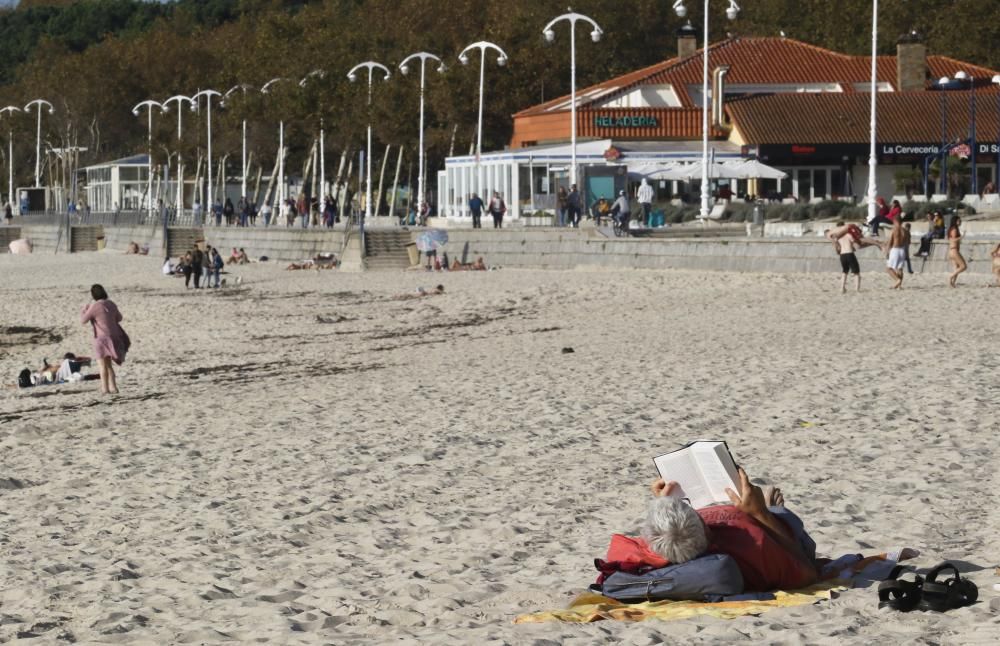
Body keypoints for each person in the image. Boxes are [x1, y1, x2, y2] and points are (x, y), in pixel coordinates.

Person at [643, 468, 819, 592]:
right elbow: (808, 573)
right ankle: (773, 511)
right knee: (791, 523)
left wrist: (663, 502)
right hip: (763, 526)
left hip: (726, 524)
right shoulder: (756, 545)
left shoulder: (661, 548)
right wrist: (761, 513)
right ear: (705, 528)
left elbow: (664, 534)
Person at [80, 284, 128, 395]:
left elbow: (83, 320)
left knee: (102, 365)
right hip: (112, 337)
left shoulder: (94, 306)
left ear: (93, 295)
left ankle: (105, 389)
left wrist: (84, 310)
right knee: (109, 365)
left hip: (100, 338)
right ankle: (114, 388)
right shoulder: (111, 304)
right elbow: (119, 318)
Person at [825, 222, 879, 293]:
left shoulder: (837, 237)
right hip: (849, 253)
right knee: (856, 272)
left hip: (842, 255)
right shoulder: (848, 235)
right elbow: (856, 245)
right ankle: (857, 289)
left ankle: (842, 288)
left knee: (845, 271)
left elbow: (837, 247)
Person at [884, 216, 908, 289]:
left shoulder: (894, 229)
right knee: (899, 269)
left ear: (895, 221)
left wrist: (887, 251)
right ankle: (899, 286)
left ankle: (897, 280)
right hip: (902, 250)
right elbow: (907, 242)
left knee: (888, 269)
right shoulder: (905, 230)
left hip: (895, 249)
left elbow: (890, 241)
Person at [947, 216, 966, 288]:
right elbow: (953, 240)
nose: (960, 221)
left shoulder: (954, 229)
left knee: (957, 267)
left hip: (952, 250)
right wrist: (962, 236)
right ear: (955, 221)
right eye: (959, 220)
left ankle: (952, 283)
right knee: (963, 266)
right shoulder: (954, 229)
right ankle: (950, 277)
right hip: (954, 250)